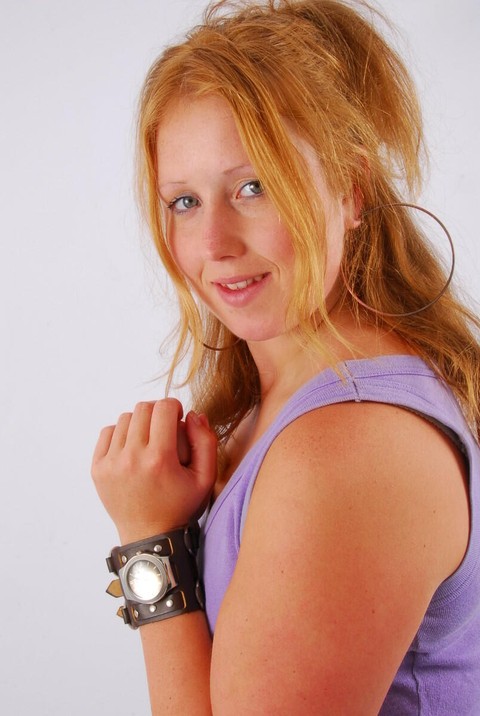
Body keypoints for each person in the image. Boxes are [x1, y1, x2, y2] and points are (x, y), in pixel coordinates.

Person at [91, 1, 480, 713]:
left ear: (351, 188)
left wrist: (150, 545)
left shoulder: (348, 448)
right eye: (183, 201)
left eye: (253, 187)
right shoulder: (287, 405)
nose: (213, 244)